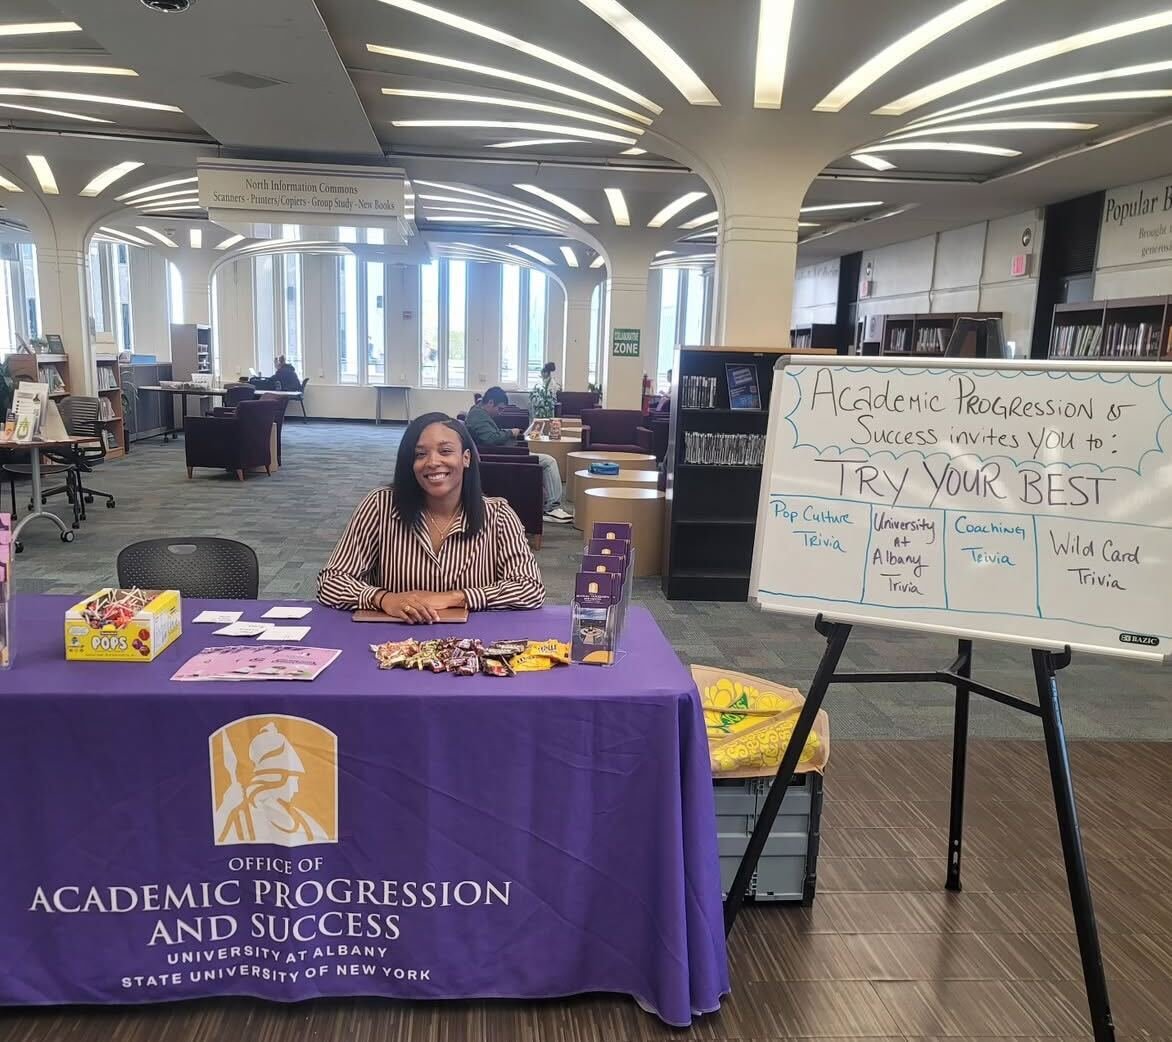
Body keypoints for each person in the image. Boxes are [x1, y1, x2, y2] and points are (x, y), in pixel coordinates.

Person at [317, 412, 544, 620]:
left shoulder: (498, 515)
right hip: (393, 646)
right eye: (420, 454)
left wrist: (454, 598)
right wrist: (384, 599)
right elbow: (331, 582)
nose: (433, 462)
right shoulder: (380, 505)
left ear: (466, 458)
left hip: (470, 647)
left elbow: (530, 588)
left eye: (445, 451)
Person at [465, 387, 572, 525]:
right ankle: (552, 508)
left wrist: (508, 432)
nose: (500, 413)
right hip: (507, 458)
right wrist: (511, 433)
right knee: (549, 461)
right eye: (500, 409)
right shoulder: (478, 416)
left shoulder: (479, 412)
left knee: (546, 459)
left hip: (507, 454)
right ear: (490, 402)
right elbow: (491, 439)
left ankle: (550, 504)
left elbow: (491, 434)